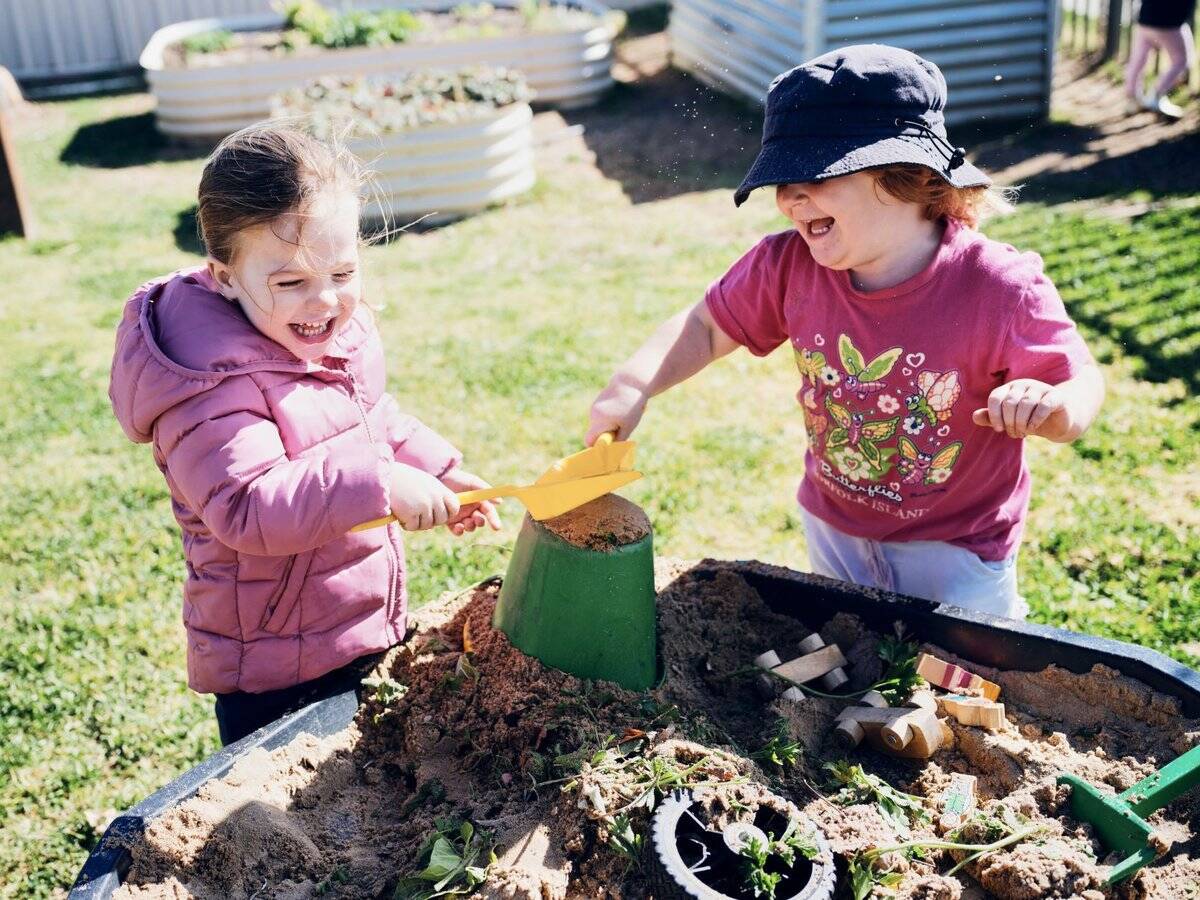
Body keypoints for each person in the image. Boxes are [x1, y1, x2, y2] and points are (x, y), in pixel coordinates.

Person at [586, 45, 1105, 619]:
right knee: (851, 652)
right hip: (834, 524)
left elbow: (1079, 382)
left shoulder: (998, 285)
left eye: (815, 173)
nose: (790, 197)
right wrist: (635, 383)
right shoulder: (787, 265)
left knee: (957, 667)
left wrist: (1052, 407)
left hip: (956, 546)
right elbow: (707, 326)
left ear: (906, 175)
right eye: (782, 179)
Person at [109, 125, 500, 745]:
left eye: (343, 272)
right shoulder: (206, 383)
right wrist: (381, 482)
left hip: (358, 624)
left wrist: (437, 467)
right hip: (271, 666)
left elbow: (373, 419)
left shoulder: (335, 337)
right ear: (224, 276)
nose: (324, 301)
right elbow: (248, 505)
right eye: (291, 282)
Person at [1125, 0, 1196, 119]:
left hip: (1145, 18)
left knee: (1138, 60)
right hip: (1170, 22)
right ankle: (1156, 95)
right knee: (1181, 61)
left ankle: (1132, 98)